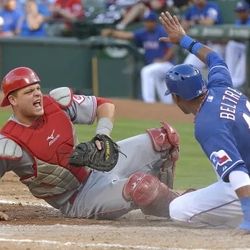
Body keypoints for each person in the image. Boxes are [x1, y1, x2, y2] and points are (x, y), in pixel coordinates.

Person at [0, 66, 179, 220]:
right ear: (13, 100)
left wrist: (103, 134)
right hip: (79, 198)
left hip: (96, 169)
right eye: (29, 92)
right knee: (142, 187)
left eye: (37, 88)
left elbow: (104, 105)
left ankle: (164, 202)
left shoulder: (55, 104)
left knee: (164, 139)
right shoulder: (10, 141)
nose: (37, 93)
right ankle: (180, 209)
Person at [159, 11, 250, 233]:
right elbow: (215, 58)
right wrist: (184, 40)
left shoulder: (207, 124)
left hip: (246, 180)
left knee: (178, 210)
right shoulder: (221, 86)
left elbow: (237, 172)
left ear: (178, 97)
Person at [102, 11, 174, 104]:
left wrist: (164, 59)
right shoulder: (143, 33)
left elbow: (172, 48)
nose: (146, 23)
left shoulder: (161, 31)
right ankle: (168, 107)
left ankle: (149, 102)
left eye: (149, 21)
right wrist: (112, 32)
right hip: (155, 68)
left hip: (166, 65)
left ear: (154, 22)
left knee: (146, 71)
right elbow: (128, 35)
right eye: (146, 21)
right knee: (161, 88)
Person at [181, 0, 223, 70]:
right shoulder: (192, 9)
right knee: (186, 69)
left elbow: (209, 22)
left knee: (216, 70)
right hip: (200, 45)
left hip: (215, 44)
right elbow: (183, 25)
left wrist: (194, 22)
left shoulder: (212, 7)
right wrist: (198, 22)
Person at [224, 0, 250, 89]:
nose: (240, 14)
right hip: (242, 45)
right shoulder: (238, 22)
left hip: (248, 47)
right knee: (231, 44)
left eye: (242, 11)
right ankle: (229, 78)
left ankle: (238, 81)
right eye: (238, 11)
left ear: (248, 11)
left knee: (247, 51)